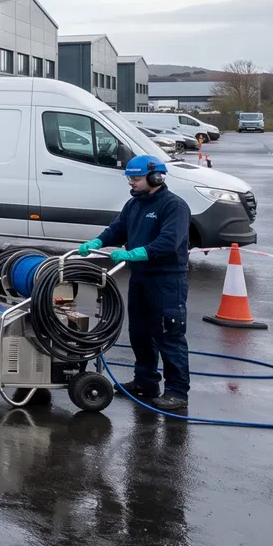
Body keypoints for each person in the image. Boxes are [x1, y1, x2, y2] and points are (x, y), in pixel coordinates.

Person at [78, 154, 192, 411]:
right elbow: (117, 229)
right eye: (130, 178)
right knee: (140, 333)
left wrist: (134, 253)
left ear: (156, 177)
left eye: (137, 179)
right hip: (140, 277)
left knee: (168, 334)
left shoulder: (174, 206)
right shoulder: (134, 204)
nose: (132, 183)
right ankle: (145, 381)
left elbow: (168, 242)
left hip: (166, 279)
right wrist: (98, 241)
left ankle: (177, 391)